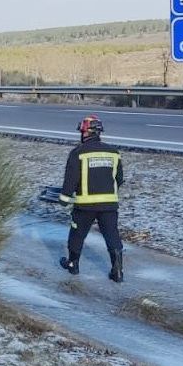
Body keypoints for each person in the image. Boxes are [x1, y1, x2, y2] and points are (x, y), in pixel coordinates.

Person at [58, 115, 125, 282]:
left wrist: (64, 198)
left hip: (85, 206)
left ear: (85, 132)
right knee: (112, 235)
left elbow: (71, 179)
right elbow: (119, 178)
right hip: (109, 204)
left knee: (77, 234)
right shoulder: (113, 153)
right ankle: (117, 271)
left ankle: (73, 265)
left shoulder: (78, 153)